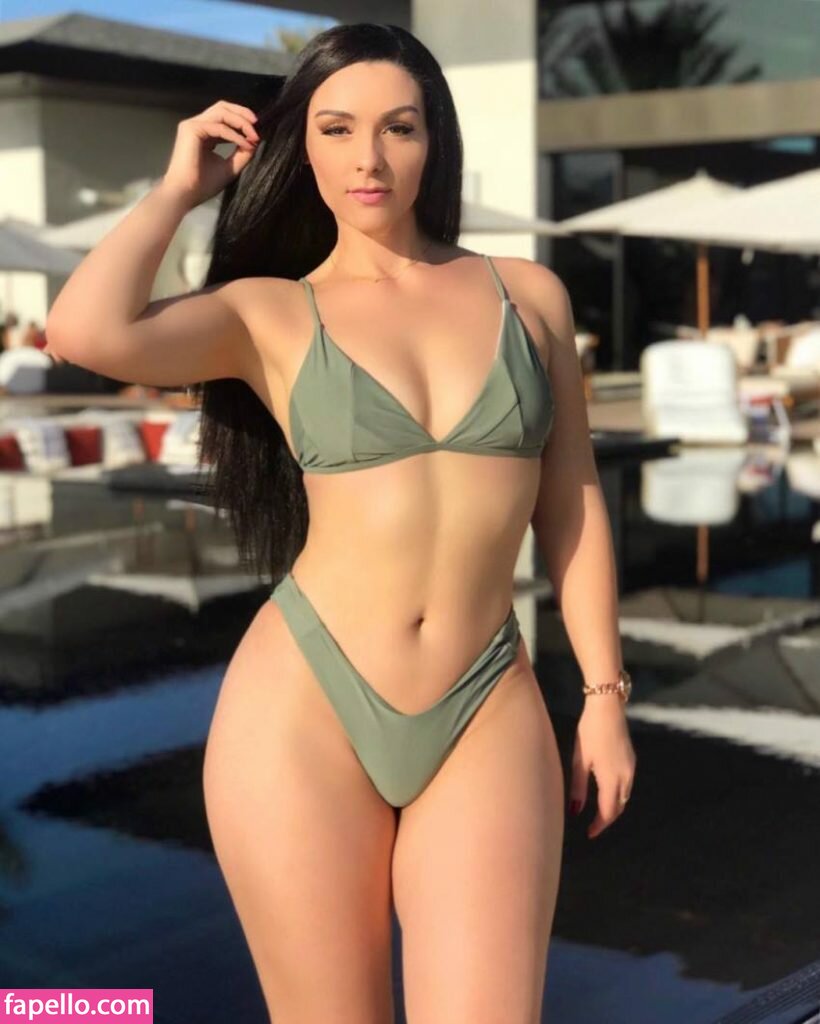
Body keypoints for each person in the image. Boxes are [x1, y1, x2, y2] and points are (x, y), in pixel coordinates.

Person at [45, 23, 636, 1023]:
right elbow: (83, 331)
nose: (369, 158)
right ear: (302, 149)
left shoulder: (527, 295)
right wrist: (178, 190)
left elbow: (571, 500)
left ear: (433, 141)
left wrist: (606, 694)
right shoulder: (269, 313)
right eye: (337, 129)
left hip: (484, 700)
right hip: (304, 708)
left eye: (398, 127)